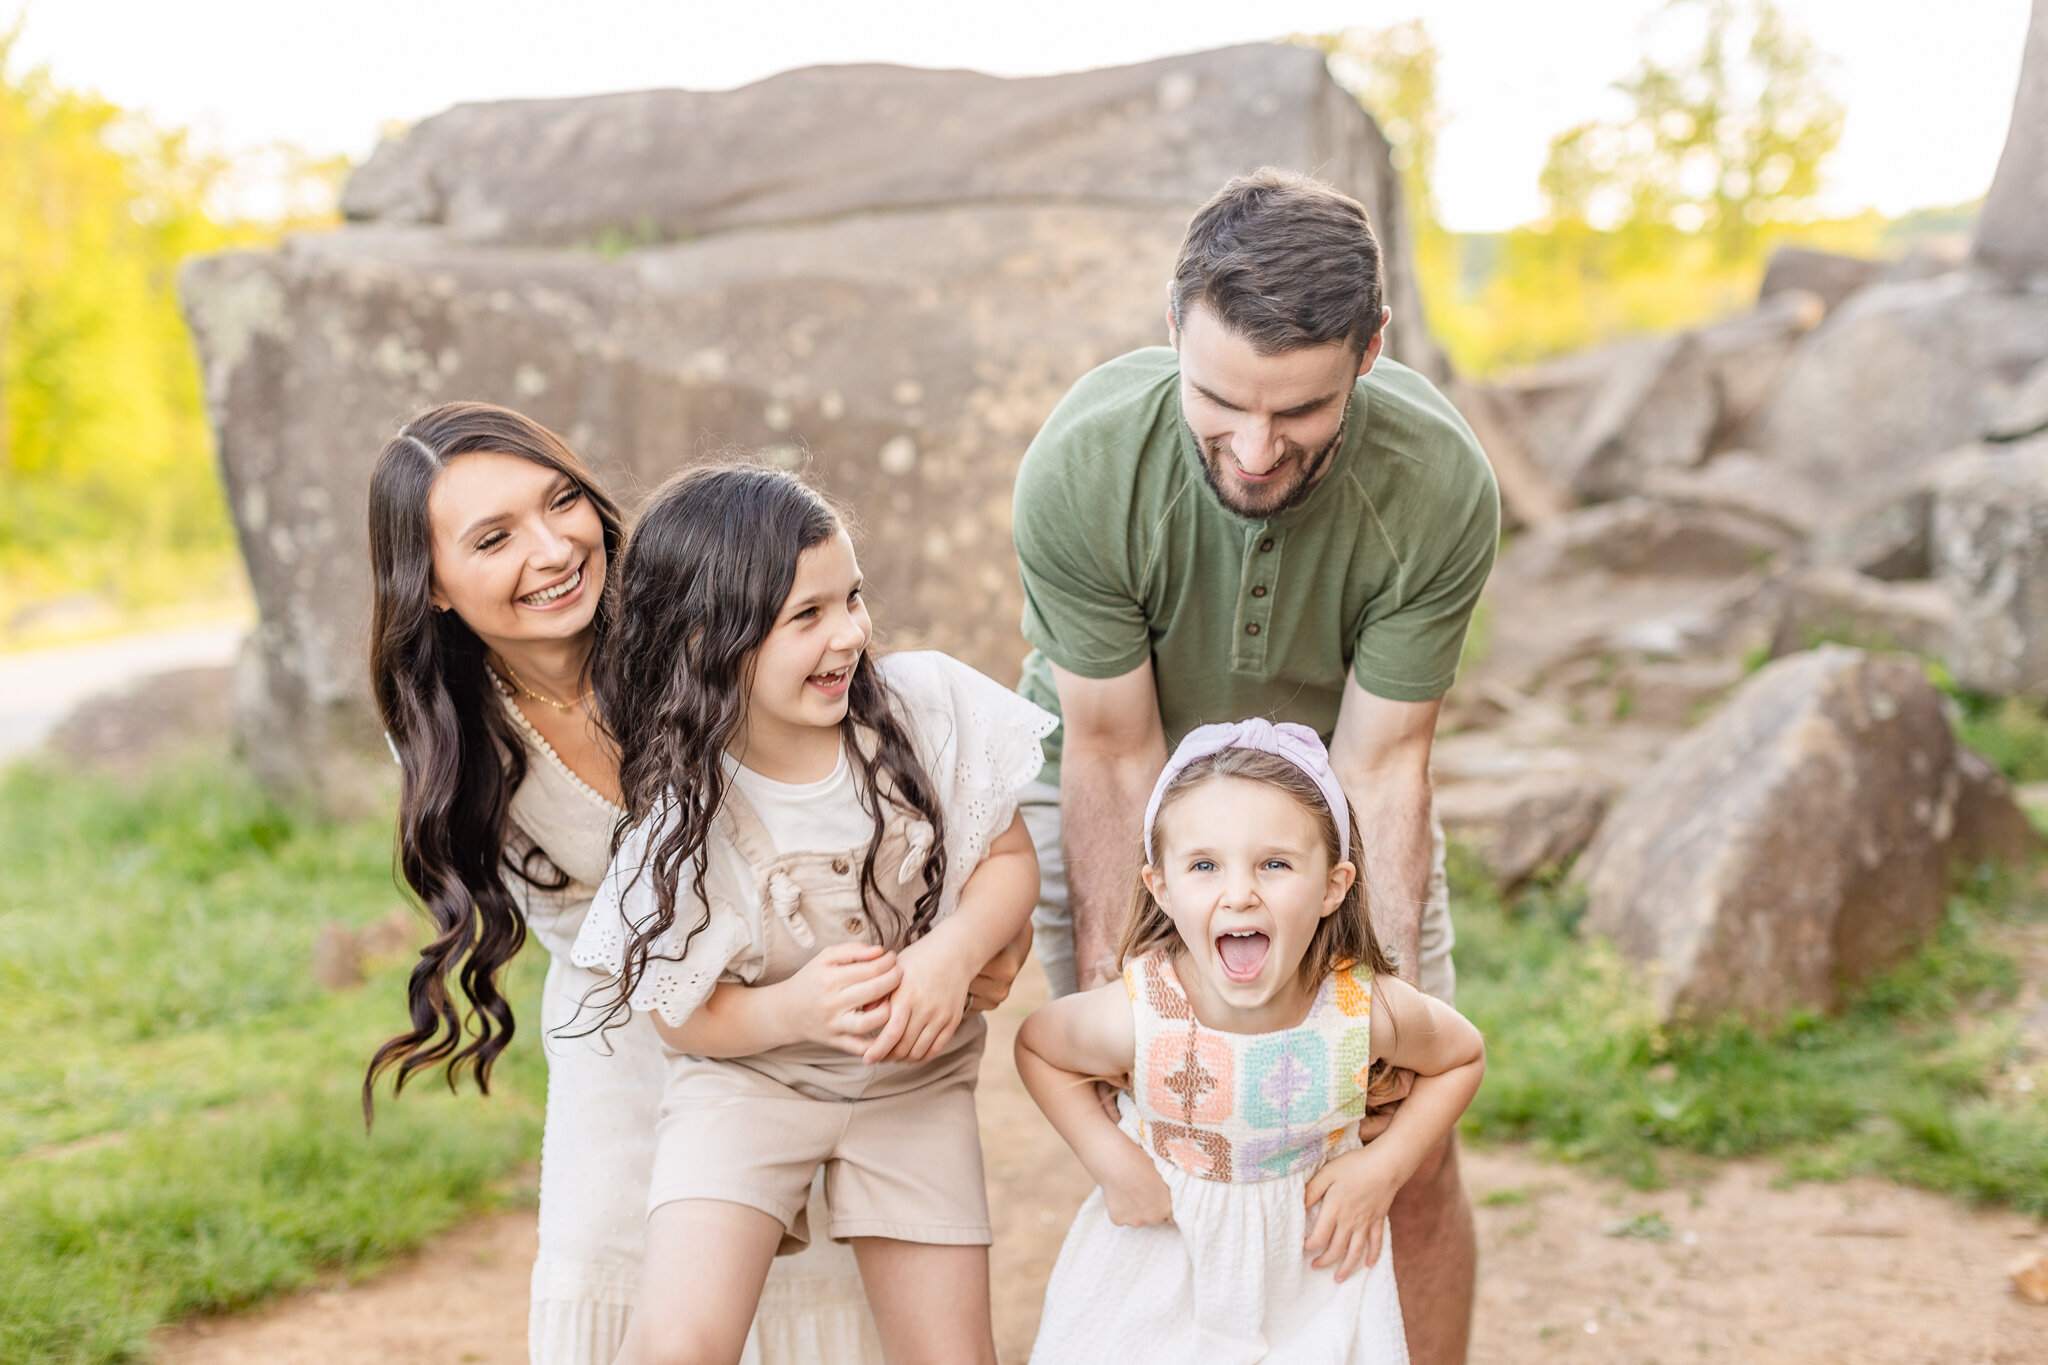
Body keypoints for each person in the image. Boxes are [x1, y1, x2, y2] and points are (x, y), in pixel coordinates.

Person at [361, 403, 1032, 1365]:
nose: (553, 550)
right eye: (495, 537)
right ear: (429, 585)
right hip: (632, 1016)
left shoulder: (700, 624)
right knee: (637, 1278)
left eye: (563, 503)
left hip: (830, 1002)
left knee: (834, 1296)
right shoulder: (451, 732)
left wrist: (965, 939)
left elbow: (885, 784)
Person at [1011, 167, 1499, 1362]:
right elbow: (1113, 753)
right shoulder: (1081, 470)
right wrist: (1133, 1000)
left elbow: (1381, 766)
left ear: (1370, 353)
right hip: (1123, 786)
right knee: (1165, 1146)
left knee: (1406, 1151)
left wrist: (1358, 1000)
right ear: (1171, 326)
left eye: (1300, 411)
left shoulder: (1437, 486)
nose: (1255, 446)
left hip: (1324, 806)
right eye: (1219, 401)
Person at [567, 465, 1056, 1365]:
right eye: (808, 616)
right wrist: (792, 1011)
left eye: (853, 599)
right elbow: (683, 1014)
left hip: (914, 1086)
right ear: (710, 640)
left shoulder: (922, 712)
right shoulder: (683, 815)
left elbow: (1011, 861)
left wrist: (952, 953)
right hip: (752, 1087)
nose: (850, 635)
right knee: (678, 1344)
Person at [1017, 720, 1485, 1364]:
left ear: (1332, 887)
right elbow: (1038, 1047)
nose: (1239, 893)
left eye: (1275, 864)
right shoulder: (1140, 1013)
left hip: (1309, 1280)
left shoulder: (1359, 1008)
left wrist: (1385, 1166)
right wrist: (1108, 1158)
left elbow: (1462, 1056)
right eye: (1204, 865)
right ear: (1162, 887)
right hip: (1160, 1268)